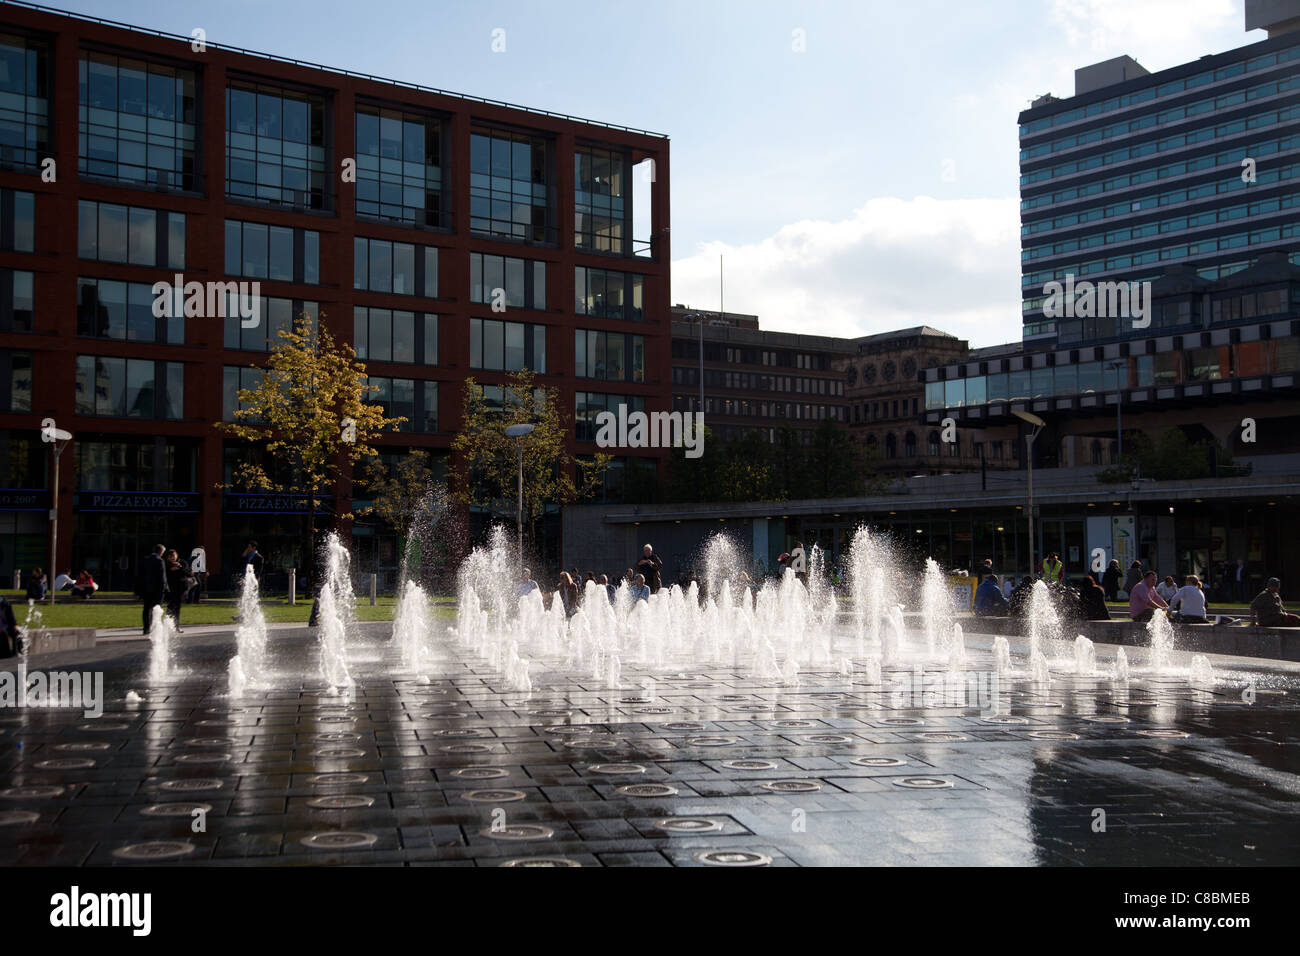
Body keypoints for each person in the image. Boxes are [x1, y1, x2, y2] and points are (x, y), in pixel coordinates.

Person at [136, 545, 168, 634]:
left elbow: (140, 575)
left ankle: (146, 628)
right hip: (157, 589)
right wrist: (165, 588)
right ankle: (153, 627)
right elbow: (162, 577)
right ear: (161, 552)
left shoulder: (145, 559)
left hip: (146, 588)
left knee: (146, 609)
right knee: (156, 609)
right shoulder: (160, 561)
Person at [163, 549, 194, 632]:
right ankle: (167, 625)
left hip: (180, 589)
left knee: (177, 607)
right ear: (167, 558)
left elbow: (189, 573)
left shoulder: (182, 563)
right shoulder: (166, 564)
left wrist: (180, 567)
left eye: (173, 556)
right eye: (170, 557)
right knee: (170, 607)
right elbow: (164, 575)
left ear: (177, 555)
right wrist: (171, 569)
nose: (172, 558)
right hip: (170, 589)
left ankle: (176, 626)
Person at [0, 592, 19, 658]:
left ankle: (16, 652)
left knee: (16, 633)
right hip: (1, 626)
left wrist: (15, 625)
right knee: (2, 635)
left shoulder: (6, 604)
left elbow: (11, 616)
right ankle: (5, 654)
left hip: (6, 625)